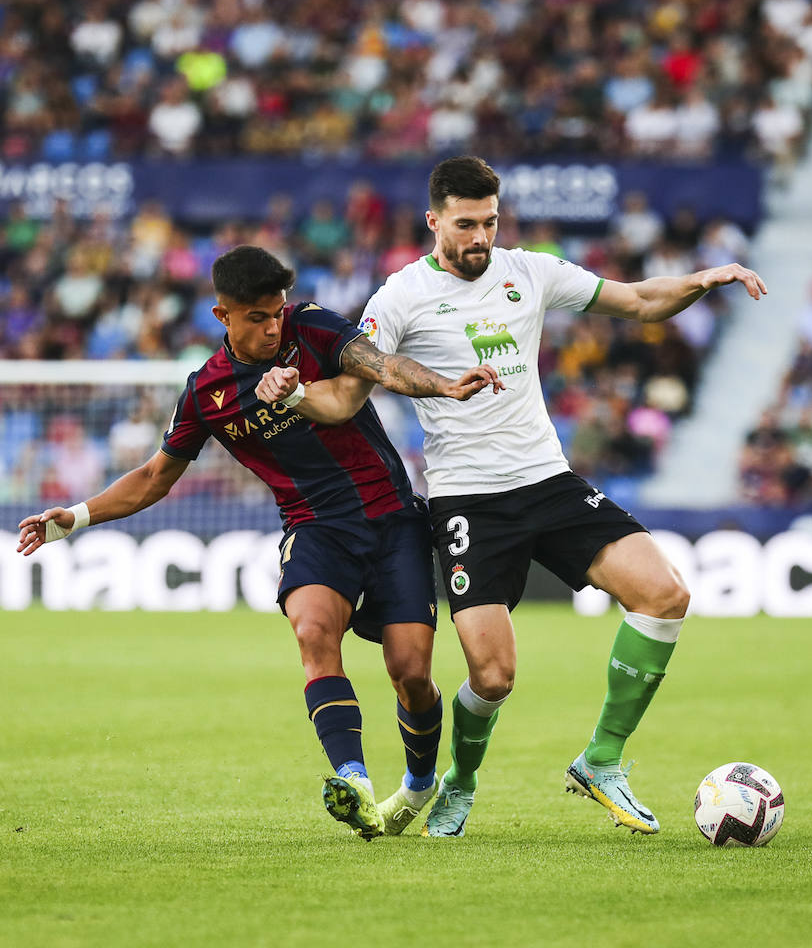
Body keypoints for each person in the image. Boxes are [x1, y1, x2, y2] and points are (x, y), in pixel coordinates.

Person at [256, 155, 767, 838]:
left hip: (548, 481)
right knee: (492, 678)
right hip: (468, 502)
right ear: (434, 220)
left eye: (490, 222)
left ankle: (602, 760)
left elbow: (640, 301)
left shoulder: (530, 270)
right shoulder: (399, 299)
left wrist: (703, 280)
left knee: (665, 594)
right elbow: (346, 398)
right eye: (466, 224)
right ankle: (459, 782)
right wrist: (293, 391)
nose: (480, 238)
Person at [17, 245, 503, 840]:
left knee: (410, 673)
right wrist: (76, 517)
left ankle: (422, 781)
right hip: (315, 527)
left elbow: (380, 363)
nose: (273, 326)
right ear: (223, 316)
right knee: (312, 632)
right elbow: (152, 478)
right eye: (257, 317)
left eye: (276, 313)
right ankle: (353, 779)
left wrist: (445, 387)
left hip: (393, 518)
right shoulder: (206, 393)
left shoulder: (313, 326)